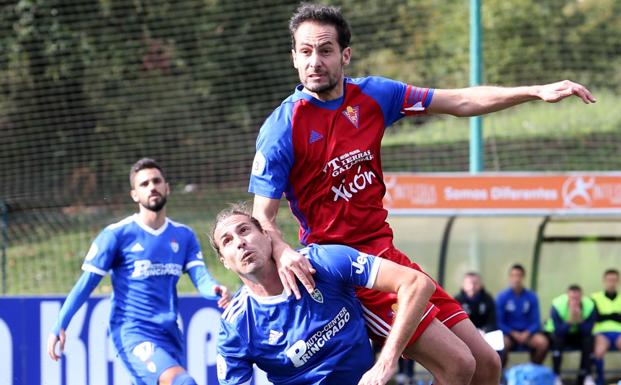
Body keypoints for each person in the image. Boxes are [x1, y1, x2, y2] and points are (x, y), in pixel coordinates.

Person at [248, 3, 595, 385]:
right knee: (458, 365)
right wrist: (283, 252)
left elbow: (460, 101)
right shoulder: (282, 127)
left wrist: (534, 91)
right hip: (346, 268)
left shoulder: (375, 95)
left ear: (345, 55)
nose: (315, 60)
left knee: (487, 364)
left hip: (387, 253)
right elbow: (262, 217)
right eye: (306, 51)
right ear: (294, 58)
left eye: (325, 49)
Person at [47, 158, 232, 385]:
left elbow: (201, 277)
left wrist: (215, 290)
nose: (151, 187)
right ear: (134, 194)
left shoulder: (183, 235)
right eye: (144, 184)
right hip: (133, 332)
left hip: (170, 333)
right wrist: (60, 324)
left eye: (156, 181)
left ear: (167, 187)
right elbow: (86, 284)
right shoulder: (117, 235)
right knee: (183, 382)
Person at [210, 206, 442, 385]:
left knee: (462, 367)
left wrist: (386, 361)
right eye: (227, 241)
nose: (240, 243)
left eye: (244, 230)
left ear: (266, 235)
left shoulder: (323, 262)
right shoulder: (235, 326)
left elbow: (417, 284)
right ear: (224, 262)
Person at [496, 264, 548, 367]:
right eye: (513, 275)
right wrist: (513, 333)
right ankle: (500, 377)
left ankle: (533, 371)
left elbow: (536, 321)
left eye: (519, 275)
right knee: (502, 344)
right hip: (509, 334)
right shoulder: (502, 297)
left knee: (543, 343)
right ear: (510, 278)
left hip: (527, 334)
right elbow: (499, 322)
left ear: (523, 277)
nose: (516, 279)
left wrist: (526, 333)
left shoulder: (531, 296)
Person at [543, 285, 596, 385]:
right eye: (572, 298)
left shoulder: (589, 306)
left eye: (577, 298)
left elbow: (588, 330)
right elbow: (558, 330)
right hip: (560, 334)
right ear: (567, 296)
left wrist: (580, 320)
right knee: (557, 340)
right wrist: (570, 321)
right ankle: (556, 376)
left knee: (589, 340)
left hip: (578, 333)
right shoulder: (557, 305)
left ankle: (585, 376)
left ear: (582, 297)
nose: (575, 301)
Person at [591, 268, 621, 385]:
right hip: (602, 332)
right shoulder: (595, 297)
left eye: (614, 280)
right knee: (599, 350)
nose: (611, 283)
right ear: (604, 281)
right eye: (609, 280)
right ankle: (600, 380)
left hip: (619, 332)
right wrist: (615, 316)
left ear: (618, 281)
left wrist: (605, 316)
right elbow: (595, 317)